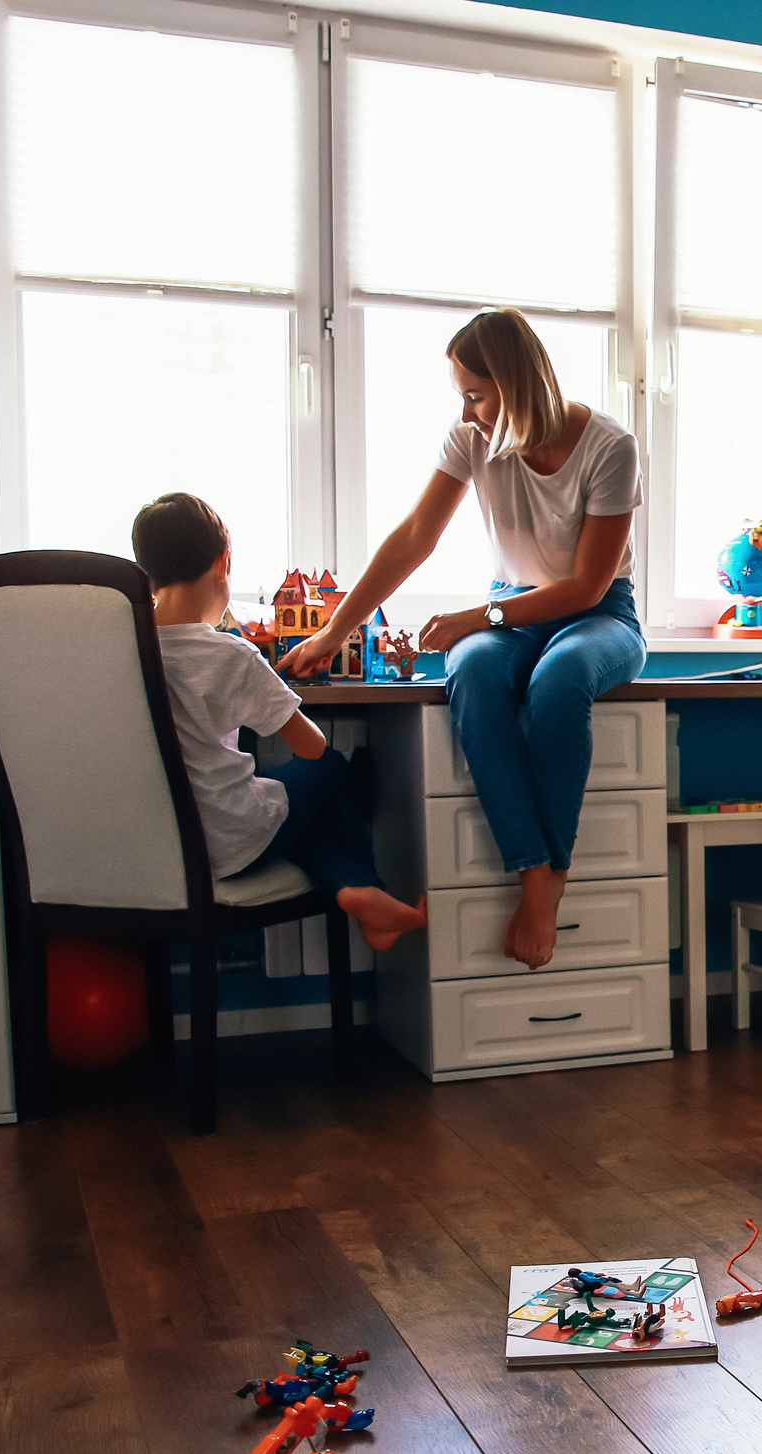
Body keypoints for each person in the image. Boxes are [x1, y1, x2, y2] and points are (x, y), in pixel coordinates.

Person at [284, 308, 644, 970]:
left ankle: (549, 878)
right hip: (511, 607)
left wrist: (477, 617)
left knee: (559, 682)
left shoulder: (610, 447)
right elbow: (415, 536)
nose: (469, 411)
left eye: (476, 394)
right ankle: (534, 870)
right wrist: (337, 629)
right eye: (464, 397)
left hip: (599, 615)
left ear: (515, 382)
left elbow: (588, 585)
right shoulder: (471, 440)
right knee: (471, 671)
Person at [134, 493, 425, 952]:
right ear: (222, 563)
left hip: (164, 844)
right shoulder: (230, 654)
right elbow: (311, 747)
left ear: (146, 573)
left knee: (281, 810)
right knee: (332, 770)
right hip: (228, 840)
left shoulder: (126, 648)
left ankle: (355, 891)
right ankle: (370, 887)